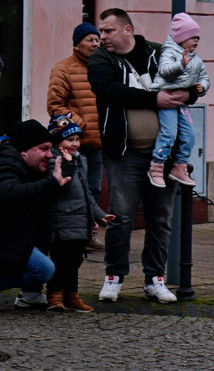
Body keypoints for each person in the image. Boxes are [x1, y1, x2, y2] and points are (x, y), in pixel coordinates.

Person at [88, 8, 193, 304]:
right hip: (124, 154)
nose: (102, 36)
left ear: (127, 30)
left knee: (160, 218)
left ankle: (155, 279)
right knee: (121, 217)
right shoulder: (101, 59)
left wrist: (187, 94)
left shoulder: (158, 54)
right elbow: (107, 90)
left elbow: (191, 81)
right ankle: (114, 276)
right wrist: (156, 98)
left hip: (164, 157)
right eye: (101, 31)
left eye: (108, 30)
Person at [43, 114, 115, 312]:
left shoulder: (80, 159)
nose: (75, 144)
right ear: (57, 142)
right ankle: (54, 294)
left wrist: (99, 214)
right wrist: (67, 164)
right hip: (62, 220)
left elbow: (87, 192)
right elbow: (59, 185)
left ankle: (71, 295)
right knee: (61, 259)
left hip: (80, 219)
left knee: (75, 259)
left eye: (77, 139)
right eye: (70, 140)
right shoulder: (54, 161)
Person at [0, 120, 72, 307]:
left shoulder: (30, 167)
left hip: (14, 239)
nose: (50, 154)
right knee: (42, 269)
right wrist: (51, 184)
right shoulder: (7, 163)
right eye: (44, 149)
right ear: (24, 150)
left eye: (51, 149)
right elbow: (8, 193)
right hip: (8, 240)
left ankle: (30, 296)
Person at [48, 21, 105, 253]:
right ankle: (66, 236)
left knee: (93, 189)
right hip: (74, 144)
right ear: (76, 44)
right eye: (89, 40)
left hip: (98, 143)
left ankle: (89, 235)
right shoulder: (63, 69)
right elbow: (55, 106)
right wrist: (80, 126)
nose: (95, 44)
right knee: (71, 191)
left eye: (97, 40)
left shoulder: (103, 67)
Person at [148, 12, 208, 188]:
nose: (196, 40)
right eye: (191, 37)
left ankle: (180, 166)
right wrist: (181, 64)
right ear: (180, 38)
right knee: (169, 133)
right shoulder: (169, 53)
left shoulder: (196, 59)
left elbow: (204, 76)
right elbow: (164, 71)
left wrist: (202, 86)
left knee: (190, 134)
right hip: (166, 99)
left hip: (181, 103)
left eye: (197, 37)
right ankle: (156, 166)